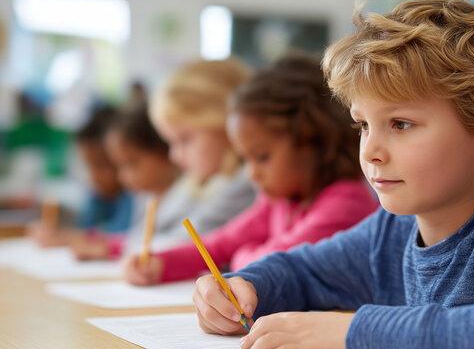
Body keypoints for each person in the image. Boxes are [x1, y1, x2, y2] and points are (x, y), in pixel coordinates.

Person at [191, 0, 474, 349]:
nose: (371, 152)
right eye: (363, 125)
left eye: (400, 124)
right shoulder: (391, 232)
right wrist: (242, 287)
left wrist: (357, 331)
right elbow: (303, 271)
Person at [122, 53, 379, 285]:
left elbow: (271, 264)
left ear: (311, 142)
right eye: (245, 159)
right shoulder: (279, 201)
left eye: (262, 157)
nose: (250, 174)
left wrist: (240, 254)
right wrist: (161, 263)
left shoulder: (346, 202)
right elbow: (221, 243)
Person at [145, 58, 255, 238]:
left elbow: (182, 243)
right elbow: (150, 233)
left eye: (185, 139)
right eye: (170, 143)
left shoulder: (246, 183)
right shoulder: (197, 183)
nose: (174, 156)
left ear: (228, 126)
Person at [70, 107, 180, 260]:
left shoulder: (187, 196)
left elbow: (177, 242)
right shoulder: (144, 197)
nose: (121, 177)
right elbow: (136, 237)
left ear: (163, 151)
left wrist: (107, 247)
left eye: (132, 164)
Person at [26, 107, 133, 247]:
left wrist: (71, 237)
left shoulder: (134, 195)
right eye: (88, 166)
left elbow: (126, 237)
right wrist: (58, 234)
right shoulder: (96, 196)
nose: (94, 176)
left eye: (102, 165)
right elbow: (83, 229)